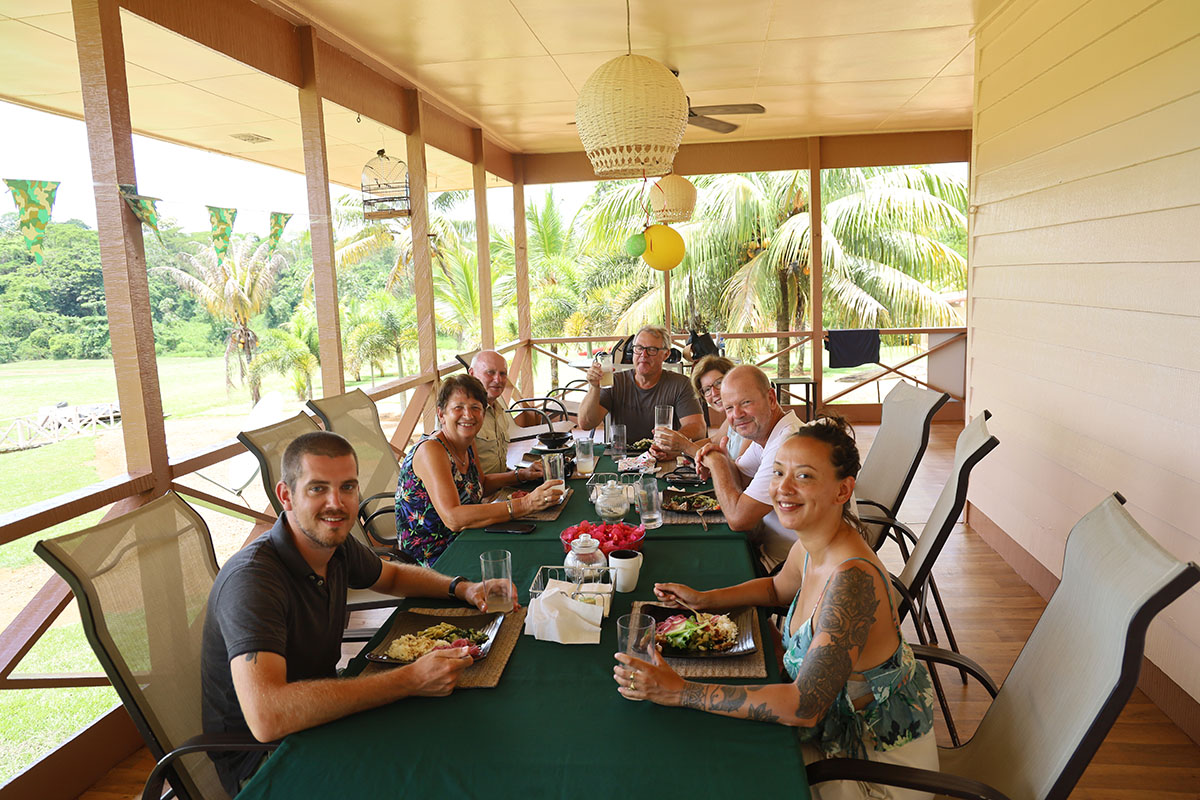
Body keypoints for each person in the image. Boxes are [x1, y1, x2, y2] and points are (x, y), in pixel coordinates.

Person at [614, 419, 938, 800]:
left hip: (870, 766)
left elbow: (803, 707)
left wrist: (681, 691)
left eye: (804, 476)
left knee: (708, 770)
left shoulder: (852, 581)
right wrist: (705, 599)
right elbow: (776, 588)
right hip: (830, 734)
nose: (783, 488)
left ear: (842, 490)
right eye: (779, 472)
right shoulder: (814, 539)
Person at [201, 431, 520, 796]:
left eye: (347, 487)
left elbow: (393, 574)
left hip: (325, 718)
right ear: (286, 496)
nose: (336, 503)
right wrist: (409, 680)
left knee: (466, 744)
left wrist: (462, 588)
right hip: (267, 761)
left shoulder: (331, 544)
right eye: (317, 488)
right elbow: (267, 716)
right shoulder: (253, 581)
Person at [395, 374, 564, 565]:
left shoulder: (466, 442)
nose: (468, 415)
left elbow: (480, 484)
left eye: (475, 408)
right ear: (441, 414)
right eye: (458, 407)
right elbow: (453, 518)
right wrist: (525, 504)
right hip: (435, 557)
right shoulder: (431, 450)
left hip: (468, 536)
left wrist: (521, 475)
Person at [695, 365, 801, 569]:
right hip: (771, 554)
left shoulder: (786, 443)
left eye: (746, 402)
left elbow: (738, 519)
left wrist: (717, 462)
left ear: (771, 398)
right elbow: (741, 478)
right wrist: (723, 461)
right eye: (729, 408)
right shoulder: (767, 436)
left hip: (789, 569)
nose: (737, 414)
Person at [577, 325, 706, 448]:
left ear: (666, 355)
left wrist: (670, 441)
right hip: (621, 456)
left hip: (664, 455)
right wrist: (594, 387)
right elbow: (586, 424)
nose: (644, 355)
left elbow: (698, 428)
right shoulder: (615, 382)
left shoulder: (681, 384)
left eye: (652, 350)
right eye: (639, 348)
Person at [467, 350, 543, 476]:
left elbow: (496, 469)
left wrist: (524, 473)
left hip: (500, 487)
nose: (498, 380)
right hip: (480, 494)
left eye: (503, 374)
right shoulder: (464, 416)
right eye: (490, 373)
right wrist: (520, 476)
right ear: (472, 373)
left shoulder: (498, 408)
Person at [649, 354, 735, 460]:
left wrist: (684, 445)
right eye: (707, 389)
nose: (714, 393)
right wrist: (675, 453)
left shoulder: (747, 420)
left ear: (733, 379)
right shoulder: (731, 419)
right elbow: (712, 441)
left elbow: (734, 470)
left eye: (719, 383)